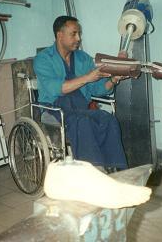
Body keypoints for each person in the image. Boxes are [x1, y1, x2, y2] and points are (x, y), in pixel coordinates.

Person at [33, 15, 128, 170]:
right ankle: (94, 171)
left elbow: (95, 88)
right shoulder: (43, 59)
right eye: (74, 34)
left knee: (107, 119)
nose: (78, 38)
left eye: (79, 34)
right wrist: (87, 77)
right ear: (60, 35)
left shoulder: (83, 58)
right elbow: (57, 89)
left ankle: (118, 170)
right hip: (54, 108)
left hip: (80, 107)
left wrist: (113, 80)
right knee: (82, 122)